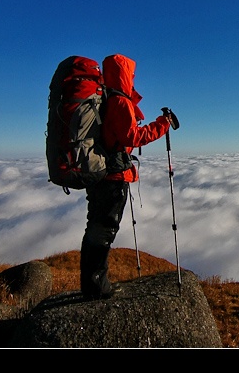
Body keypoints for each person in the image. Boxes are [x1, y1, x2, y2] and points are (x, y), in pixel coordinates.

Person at [80, 53, 173, 299]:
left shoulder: (106, 99)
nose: (133, 78)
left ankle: (93, 282)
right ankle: (96, 285)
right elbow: (133, 137)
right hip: (113, 178)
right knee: (104, 230)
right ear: (124, 73)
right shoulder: (119, 102)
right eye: (131, 74)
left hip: (101, 174)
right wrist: (162, 125)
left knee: (97, 227)